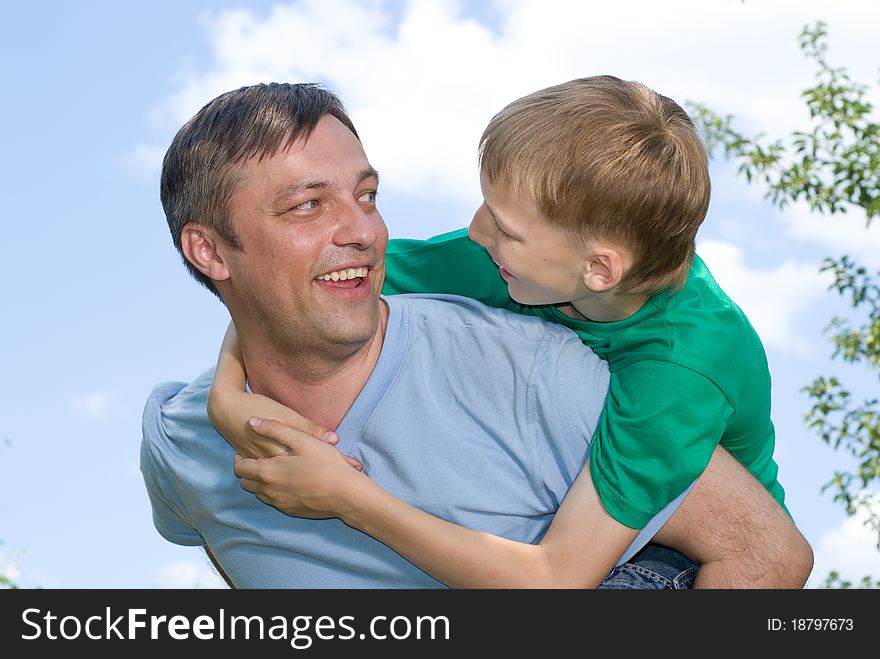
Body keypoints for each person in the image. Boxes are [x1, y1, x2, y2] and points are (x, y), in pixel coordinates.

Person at [142, 81, 811, 589]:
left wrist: (345, 496)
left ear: (596, 267)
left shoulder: (666, 376)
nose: (365, 231)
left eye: (366, 196)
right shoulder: (500, 262)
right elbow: (300, 296)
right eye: (309, 204)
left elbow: (559, 578)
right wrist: (227, 397)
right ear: (209, 251)